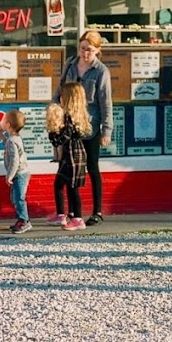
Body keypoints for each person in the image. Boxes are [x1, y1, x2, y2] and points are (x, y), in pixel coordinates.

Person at [60, 30, 113, 225]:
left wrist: (106, 130)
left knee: (92, 167)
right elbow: (60, 90)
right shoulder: (71, 65)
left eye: (89, 50)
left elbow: (105, 102)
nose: (85, 53)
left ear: (98, 50)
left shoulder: (101, 71)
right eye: (82, 49)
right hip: (69, 125)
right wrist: (54, 112)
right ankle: (73, 211)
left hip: (90, 126)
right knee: (69, 168)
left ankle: (97, 210)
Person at [47, 83, 91, 231]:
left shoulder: (69, 118)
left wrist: (53, 132)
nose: (60, 98)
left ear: (70, 99)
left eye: (63, 95)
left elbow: (63, 138)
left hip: (74, 156)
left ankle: (78, 219)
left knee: (73, 188)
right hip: (69, 155)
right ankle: (61, 215)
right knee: (58, 183)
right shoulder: (73, 116)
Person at [0, 108, 31, 234]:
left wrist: (9, 176)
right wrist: (0, 135)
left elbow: (15, 160)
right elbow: (10, 148)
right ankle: (21, 220)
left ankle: (24, 221)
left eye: (3, 121)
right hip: (22, 173)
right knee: (15, 197)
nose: (1, 123)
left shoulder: (12, 140)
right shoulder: (15, 138)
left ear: (8, 125)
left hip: (19, 174)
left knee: (19, 198)